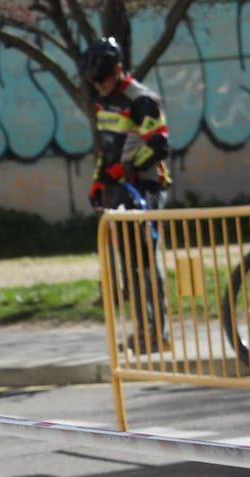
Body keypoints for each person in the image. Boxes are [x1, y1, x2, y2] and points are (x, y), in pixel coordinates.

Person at [83, 37, 170, 351]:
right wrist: (98, 182)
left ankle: (159, 332)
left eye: (103, 78)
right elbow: (108, 150)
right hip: (119, 189)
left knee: (146, 261)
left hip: (146, 187)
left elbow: (159, 146)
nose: (98, 84)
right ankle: (143, 330)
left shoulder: (141, 99)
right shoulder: (104, 102)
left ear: (118, 69)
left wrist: (126, 171)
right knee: (129, 263)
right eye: (94, 80)